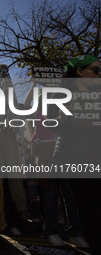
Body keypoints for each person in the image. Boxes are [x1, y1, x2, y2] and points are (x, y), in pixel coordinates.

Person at [44, 55, 100, 249]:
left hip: (92, 156)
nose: (99, 75)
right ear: (79, 71)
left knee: (85, 201)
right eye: (95, 70)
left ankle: (79, 234)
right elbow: (49, 123)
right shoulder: (60, 94)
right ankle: (54, 230)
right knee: (61, 195)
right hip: (66, 154)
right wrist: (62, 119)